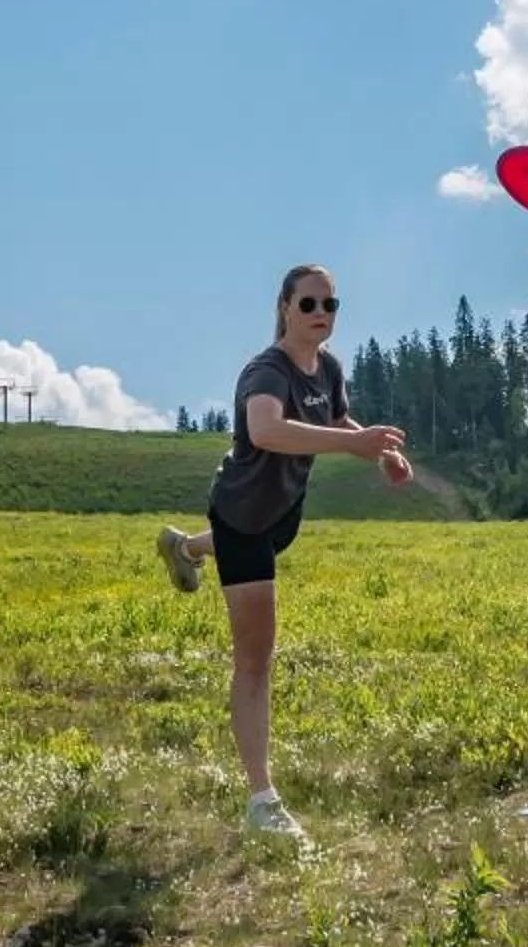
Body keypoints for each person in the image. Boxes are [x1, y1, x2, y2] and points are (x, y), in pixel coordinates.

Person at [156, 265, 411, 838]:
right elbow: (266, 430)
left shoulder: (328, 369)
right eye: (309, 303)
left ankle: (186, 549)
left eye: (331, 303)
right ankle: (261, 801)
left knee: (255, 558)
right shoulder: (265, 372)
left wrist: (378, 451)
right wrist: (353, 443)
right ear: (284, 307)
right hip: (243, 513)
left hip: (280, 513)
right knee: (255, 656)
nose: (322, 312)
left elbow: (336, 416)